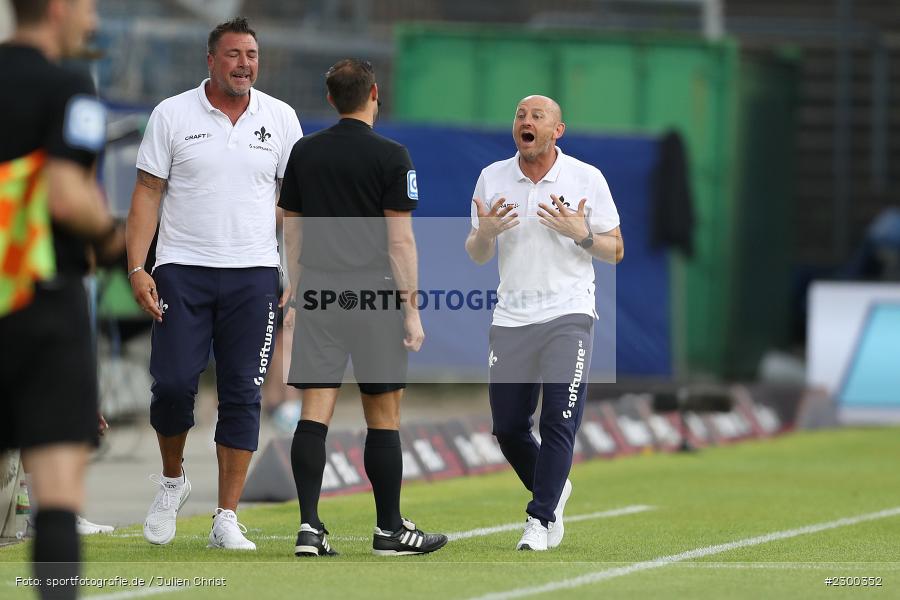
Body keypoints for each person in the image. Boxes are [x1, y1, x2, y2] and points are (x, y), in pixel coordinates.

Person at [125, 17, 303, 550]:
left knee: (244, 395)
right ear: (211, 60)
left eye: (251, 54)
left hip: (253, 277)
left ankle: (226, 516)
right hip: (182, 270)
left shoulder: (281, 117)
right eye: (233, 54)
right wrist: (138, 267)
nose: (244, 63)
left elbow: (295, 205)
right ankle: (173, 480)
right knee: (175, 385)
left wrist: (294, 271)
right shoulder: (172, 114)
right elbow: (147, 193)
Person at [278, 59, 447, 557]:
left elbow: (292, 229)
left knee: (314, 411)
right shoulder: (393, 155)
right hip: (374, 296)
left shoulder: (305, 152)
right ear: (374, 94)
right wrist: (412, 311)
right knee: (383, 415)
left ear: (331, 99)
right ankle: (389, 530)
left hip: (322, 293)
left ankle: (309, 527)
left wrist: (298, 291)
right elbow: (401, 242)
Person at [465, 95, 624, 551]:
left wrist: (582, 234)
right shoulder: (492, 177)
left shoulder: (586, 178)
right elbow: (476, 254)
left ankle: (539, 519)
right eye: (520, 115)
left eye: (537, 116)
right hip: (512, 316)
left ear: (558, 130)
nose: (526, 121)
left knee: (559, 420)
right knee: (509, 427)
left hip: (568, 313)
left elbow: (616, 250)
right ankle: (553, 486)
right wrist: (486, 234)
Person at [0, 0, 121, 596]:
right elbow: (66, 193)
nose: (93, 20)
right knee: (55, 489)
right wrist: (111, 236)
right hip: (40, 303)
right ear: (57, 8)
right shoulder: (70, 88)